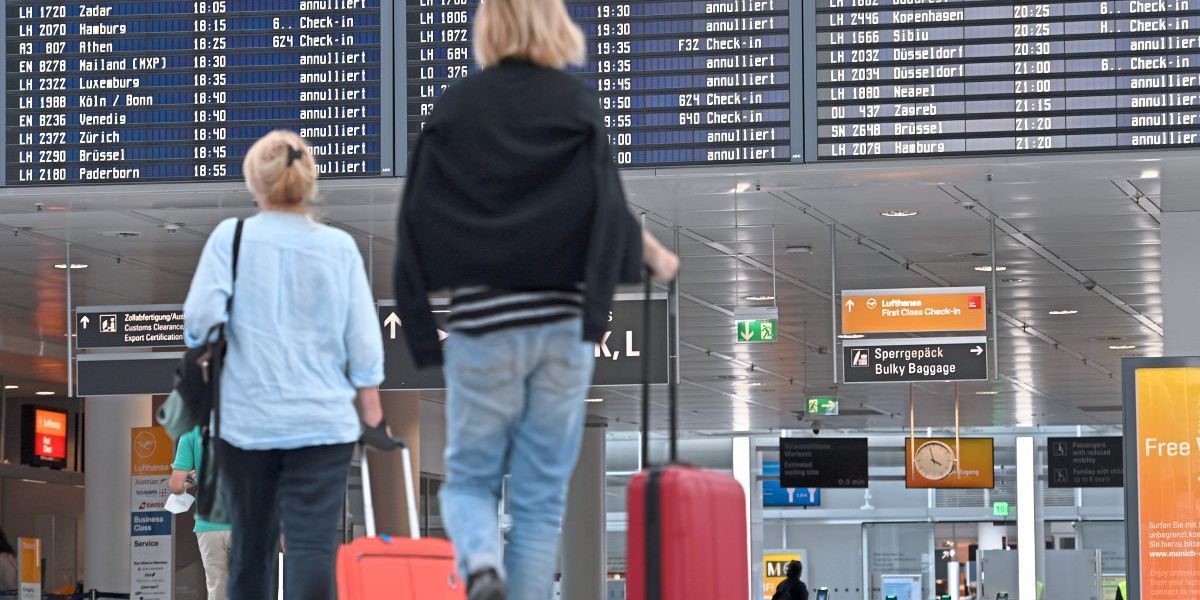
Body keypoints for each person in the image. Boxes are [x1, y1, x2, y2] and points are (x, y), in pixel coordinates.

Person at [393, 0, 679, 598]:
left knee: (470, 481)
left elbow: (415, 218)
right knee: (540, 503)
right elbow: (606, 211)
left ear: (487, 27)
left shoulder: (456, 106)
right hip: (560, 328)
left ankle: (480, 566)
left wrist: (422, 333)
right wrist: (615, 294)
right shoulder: (576, 106)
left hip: (483, 324)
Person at [183, 130, 385, 600]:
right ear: (308, 181)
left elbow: (198, 324)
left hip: (247, 424)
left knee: (252, 550)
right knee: (311, 548)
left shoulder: (228, 241)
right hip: (322, 426)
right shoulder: (338, 247)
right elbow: (363, 342)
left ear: (255, 181)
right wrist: (371, 411)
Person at [169, 426, 232, 600]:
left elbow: (176, 485)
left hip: (208, 525)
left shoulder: (190, 432)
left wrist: (189, 479)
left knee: (216, 588)